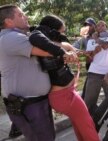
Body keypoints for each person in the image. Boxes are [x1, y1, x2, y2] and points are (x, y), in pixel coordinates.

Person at [29, 15, 100, 141]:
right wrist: (64, 51)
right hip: (64, 96)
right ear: (51, 29)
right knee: (87, 124)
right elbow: (36, 37)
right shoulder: (38, 36)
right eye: (60, 31)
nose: (62, 34)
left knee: (80, 124)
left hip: (66, 94)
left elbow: (62, 46)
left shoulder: (50, 43)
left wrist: (73, 50)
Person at [0, 4, 55, 141]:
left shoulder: (19, 36)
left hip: (34, 104)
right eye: (20, 15)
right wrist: (68, 49)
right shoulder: (10, 38)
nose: (26, 17)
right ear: (9, 21)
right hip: (29, 105)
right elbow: (49, 50)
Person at [83, 20, 108, 116]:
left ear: (106, 27)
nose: (101, 26)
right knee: (89, 101)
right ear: (96, 29)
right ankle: (89, 122)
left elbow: (106, 46)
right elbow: (88, 60)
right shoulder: (91, 41)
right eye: (98, 25)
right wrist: (94, 52)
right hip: (94, 73)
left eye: (103, 25)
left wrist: (96, 39)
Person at [73, 17, 96, 99]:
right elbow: (74, 47)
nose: (87, 27)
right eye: (86, 25)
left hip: (102, 65)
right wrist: (82, 52)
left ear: (94, 26)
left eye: (90, 25)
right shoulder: (84, 39)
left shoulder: (100, 36)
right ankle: (84, 100)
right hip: (90, 64)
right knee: (89, 84)